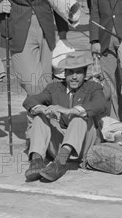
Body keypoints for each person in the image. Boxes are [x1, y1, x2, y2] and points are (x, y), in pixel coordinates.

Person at [22, 51, 108, 182]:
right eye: (70, 72)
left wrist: (70, 111)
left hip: (83, 145)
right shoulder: (54, 87)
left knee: (79, 118)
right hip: (59, 142)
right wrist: (42, 109)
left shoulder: (93, 87)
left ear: (85, 74)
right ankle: (37, 161)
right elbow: (30, 100)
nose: (74, 77)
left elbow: (100, 104)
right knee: (40, 117)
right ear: (65, 74)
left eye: (78, 72)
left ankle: (60, 163)